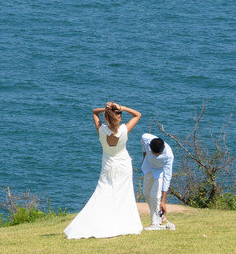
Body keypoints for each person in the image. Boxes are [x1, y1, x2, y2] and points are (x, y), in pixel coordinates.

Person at [64, 102, 145, 239]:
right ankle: (122, 222)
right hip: (123, 165)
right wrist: (123, 108)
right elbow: (138, 114)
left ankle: (102, 221)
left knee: (104, 191)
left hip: (107, 165)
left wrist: (106, 109)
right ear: (118, 117)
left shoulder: (101, 130)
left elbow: (94, 112)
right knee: (123, 194)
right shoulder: (124, 130)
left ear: (107, 117)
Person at [141, 132, 176, 229]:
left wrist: (163, 201)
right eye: (154, 154)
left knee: (155, 196)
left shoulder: (169, 155)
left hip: (160, 172)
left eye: (158, 154)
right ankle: (161, 216)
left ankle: (155, 223)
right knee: (146, 193)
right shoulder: (146, 138)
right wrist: (144, 157)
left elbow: (167, 176)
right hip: (148, 168)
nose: (156, 156)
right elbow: (143, 143)